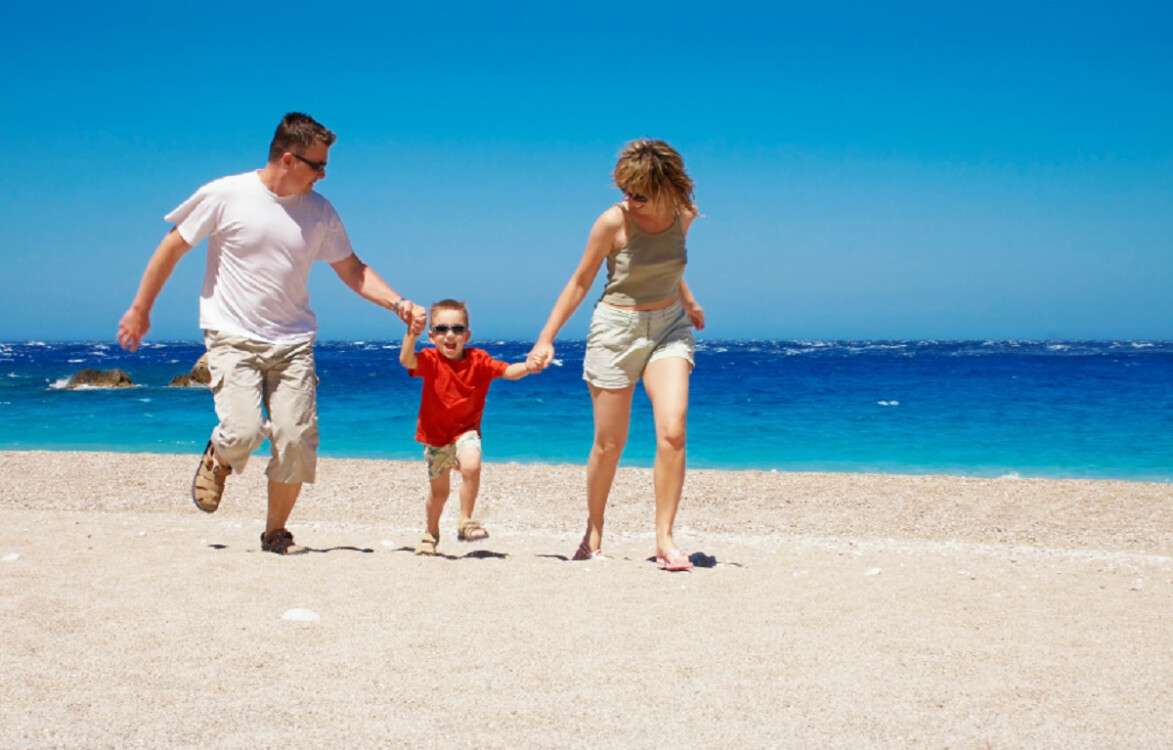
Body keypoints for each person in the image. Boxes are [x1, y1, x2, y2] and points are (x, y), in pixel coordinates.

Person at [116, 112, 425, 555]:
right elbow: (173, 244)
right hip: (231, 335)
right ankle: (220, 454)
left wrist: (397, 303)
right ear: (287, 158)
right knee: (242, 432)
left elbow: (353, 269)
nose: (323, 175)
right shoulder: (226, 194)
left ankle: (275, 532)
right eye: (317, 165)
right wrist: (140, 309)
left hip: (294, 342)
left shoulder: (320, 212)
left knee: (296, 441)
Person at [527, 139, 705, 571]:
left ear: (666, 187)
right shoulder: (613, 222)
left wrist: (690, 300)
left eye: (639, 192)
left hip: (669, 327)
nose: (629, 198)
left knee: (673, 430)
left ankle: (665, 539)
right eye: (626, 189)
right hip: (616, 331)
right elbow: (580, 281)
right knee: (609, 444)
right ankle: (594, 531)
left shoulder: (684, 216)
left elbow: (668, 267)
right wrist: (545, 337)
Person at [400, 299, 537, 555]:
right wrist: (411, 333)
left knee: (471, 464)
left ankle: (465, 520)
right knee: (439, 494)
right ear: (431, 336)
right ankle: (430, 533)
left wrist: (528, 366)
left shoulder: (478, 360)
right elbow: (407, 360)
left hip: (466, 430)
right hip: (436, 437)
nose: (449, 335)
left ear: (467, 335)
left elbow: (508, 371)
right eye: (441, 329)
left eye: (457, 329)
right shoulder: (430, 360)